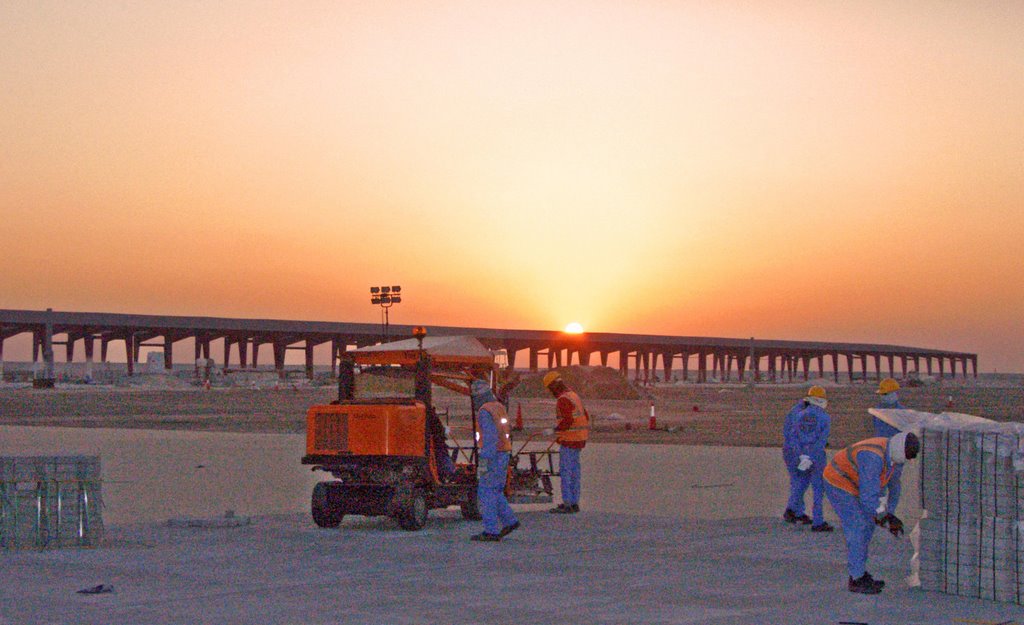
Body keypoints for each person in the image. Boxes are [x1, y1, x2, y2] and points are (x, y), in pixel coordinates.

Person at [823, 431, 920, 594]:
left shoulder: (896, 458)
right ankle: (856, 579)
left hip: (857, 485)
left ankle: (859, 572)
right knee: (858, 526)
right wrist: (885, 517)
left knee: (868, 525)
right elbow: (868, 498)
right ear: (900, 451)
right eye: (908, 456)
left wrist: (890, 514)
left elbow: (894, 486)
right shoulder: (872, 457)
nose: (909, 460)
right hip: (838, 482)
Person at [469, 379, 519, 542]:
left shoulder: (485, 411)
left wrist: (483, 463)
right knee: (496, 491)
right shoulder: (498, 407)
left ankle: (491, 530)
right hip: (503, 453)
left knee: (486, 492)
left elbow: (490, 439)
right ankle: (510, 521)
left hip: (493, 456)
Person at [781, 386, 833, 532]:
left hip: (798, 453)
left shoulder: (798, 414)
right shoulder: (825, 417)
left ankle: (793, 509)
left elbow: (792, 436)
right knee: (818, 488)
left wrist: (802, 456)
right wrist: (812, 456)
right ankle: (818, 521)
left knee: (799, 482)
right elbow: (821, 441)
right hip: (816, 456)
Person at [542, 371, 589, 514]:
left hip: (569, 441)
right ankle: (574, 503)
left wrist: (554, 430)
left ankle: (567, 503)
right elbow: (585, 415)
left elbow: (568, 421)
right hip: (579, 440)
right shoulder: (573, 395)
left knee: (566, 473)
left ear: (554, 386)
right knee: (575, 473)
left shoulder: (563, 399)